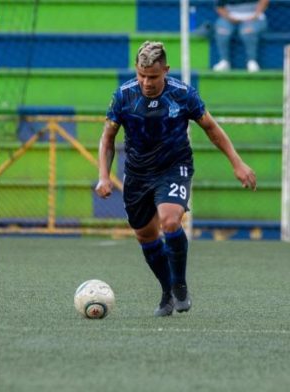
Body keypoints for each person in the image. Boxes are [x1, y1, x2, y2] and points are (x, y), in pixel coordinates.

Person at [96, 41, 256, 317]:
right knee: (145, 235)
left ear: (166, 71)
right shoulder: (123, 96)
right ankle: (166, 291)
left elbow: (211, 128)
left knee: (170, 221)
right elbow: (107, 139)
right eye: (141, 75)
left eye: (153, 77)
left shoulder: (183, 95)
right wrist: (103, 176)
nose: (146, 82)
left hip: (174, 167)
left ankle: (180, 283)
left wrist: (237, 162)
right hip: (137, 174)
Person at [212, 0, 269, 72]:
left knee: (248, 32)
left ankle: (252, 61)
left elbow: (264, 1)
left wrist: (255, 15)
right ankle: (224, 61)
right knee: (222, 31)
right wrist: (229, 17)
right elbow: (219, 7)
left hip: (254, 16)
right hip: (229, 16)